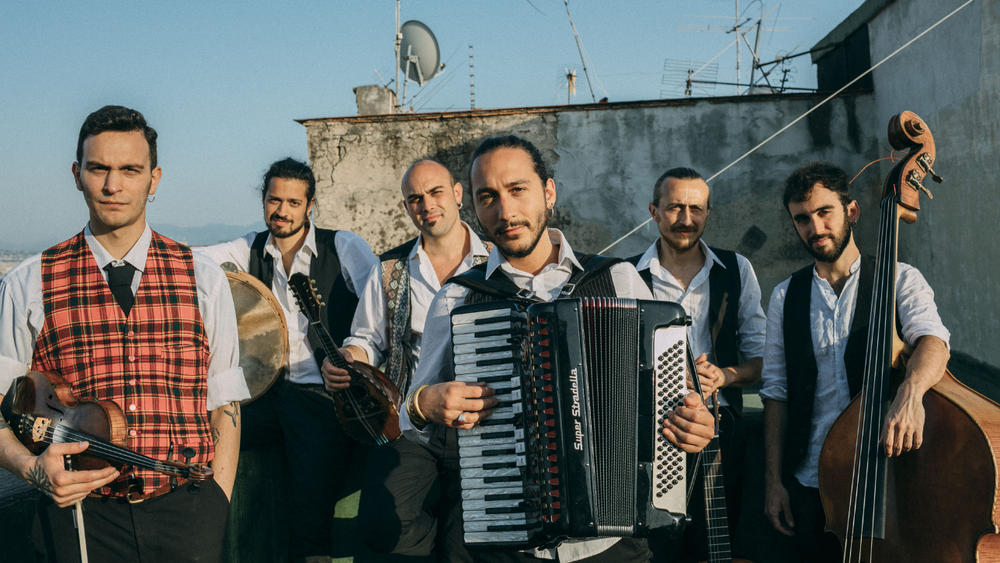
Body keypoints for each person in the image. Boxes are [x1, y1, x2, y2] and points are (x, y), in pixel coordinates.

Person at [403, 135, 716, 563]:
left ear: (548, 192)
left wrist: (696, 423)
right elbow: (410, 417)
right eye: (487, 197)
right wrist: (424, 402)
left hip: (614, 540)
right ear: (473, 207)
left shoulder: (617, 278)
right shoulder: (457, 299)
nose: (505, 211)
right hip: (510, 535)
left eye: (518, 190)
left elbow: (677, 394)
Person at [0, 105, 247, 562]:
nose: (113, 186)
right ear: (77, 175)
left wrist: (217, 502)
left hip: (188, 514)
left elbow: (224, 402)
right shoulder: (28, 281)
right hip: (78, 517)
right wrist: (34, 470)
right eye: (99, 169)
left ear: (154, 179)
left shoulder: (204, 276)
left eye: (130, 170)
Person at [760, 162, 950, 563]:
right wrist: (773, 481)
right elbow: (776, 393)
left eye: (824, 212)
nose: (815, 228)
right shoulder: (784, 296)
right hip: (809, 483)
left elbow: (934, 343)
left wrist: (911, 393)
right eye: (802, 219)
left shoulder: (899, 278)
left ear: (852, 211)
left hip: (888, 476)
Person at [196, 157, 378, 563]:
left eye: (293, 202)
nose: (282, 211)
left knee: (308, 515)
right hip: (265, 396)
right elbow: (191, 259)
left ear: (309, 205)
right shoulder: (248, 248)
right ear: (263, 201)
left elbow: (380, 312)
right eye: (274, 200)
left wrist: (353, 354)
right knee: (202, 434)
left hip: (320, 398)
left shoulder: (343, 246)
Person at [323, 159, 492, 559]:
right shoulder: (389, 268)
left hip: (483, 421)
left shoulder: (496, 261)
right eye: (415, 198)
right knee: (380, 524)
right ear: (406, 208)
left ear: (456, 194)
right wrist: (348, 357)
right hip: (410, 420)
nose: (426, 205)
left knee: (470, 542)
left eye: (435, 193)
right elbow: (366, 337)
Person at [628, 167, 765, 562]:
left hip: (721, 441)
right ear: (654, 212)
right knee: (655, 553)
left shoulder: (737, 270)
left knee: (715, 552)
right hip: (647, 443)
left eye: (696, 208)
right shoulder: (626, 275)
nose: (686, 219)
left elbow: (764, 361)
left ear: (707, 213)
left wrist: (725, 375)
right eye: (674, 208)